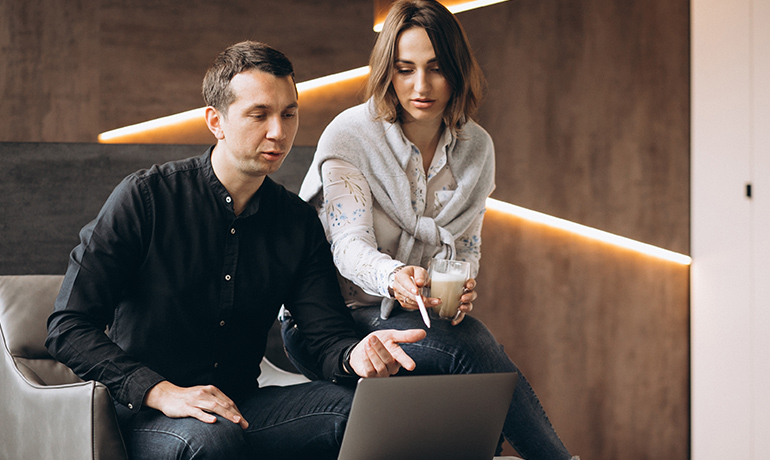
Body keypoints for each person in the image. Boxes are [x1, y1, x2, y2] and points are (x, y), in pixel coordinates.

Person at [45, 40, 425, 460]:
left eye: (288, 114)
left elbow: (326, 338)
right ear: (216, 121)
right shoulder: (146, 197)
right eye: (259, 115)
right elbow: (68, 327)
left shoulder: (296, 221)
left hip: (241, 406)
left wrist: (357, 355)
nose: (278, 132)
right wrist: (160, 391)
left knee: (363, 413)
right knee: (211, 439)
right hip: (149, 411)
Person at [283, 1, 577, 459]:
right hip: (329, 323)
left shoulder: (477, 148)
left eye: (436, 69)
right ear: (388, 72)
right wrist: (394, 277)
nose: (421, 87)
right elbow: (347, 245)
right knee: (469, 347)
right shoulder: (350, 135)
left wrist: (461, 286)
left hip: (416, 319)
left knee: (469, 385)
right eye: (405, 70)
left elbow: (468, 245)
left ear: (457, 72)